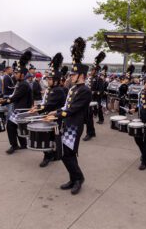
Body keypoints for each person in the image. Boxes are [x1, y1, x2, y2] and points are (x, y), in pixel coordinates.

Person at [46, 37, 91, 195]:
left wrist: (57, 113)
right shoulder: (73, 89)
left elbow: (72, 109)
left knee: (68, 154)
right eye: (71, 75)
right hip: (66, 123)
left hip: (74, 125)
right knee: (64, 154)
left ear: (81, 76)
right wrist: (55, 112)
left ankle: (78, 178)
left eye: (74, 75)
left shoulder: (85, 91)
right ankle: (73, 178)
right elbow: (66, 106)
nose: (71, 77)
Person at [30, 53, 66, 167]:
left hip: (55, 117)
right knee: (49, 137)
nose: (48, 80)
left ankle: (49, 155)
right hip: (48, 116)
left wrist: (38, 108)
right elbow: (45, 102)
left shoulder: (58, 90)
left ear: (56, 80)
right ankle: (52, 154)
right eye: (48, 78)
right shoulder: (50, 89)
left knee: (49, 137)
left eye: (50, 79)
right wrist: (38, 106)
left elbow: (49, 105)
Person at [0, 51, 33, 154]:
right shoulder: (20, 83)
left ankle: (14, 145)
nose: (14, 74)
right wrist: (2, 99)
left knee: (10, 126)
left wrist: (2, 102)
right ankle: (23, 144)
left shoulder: (24, 84)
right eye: (15, 72)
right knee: (15, 126)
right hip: (19, 109)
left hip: (22, 110)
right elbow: (13, 95)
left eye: (17, 73)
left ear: (22, 74)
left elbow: (14, 97)